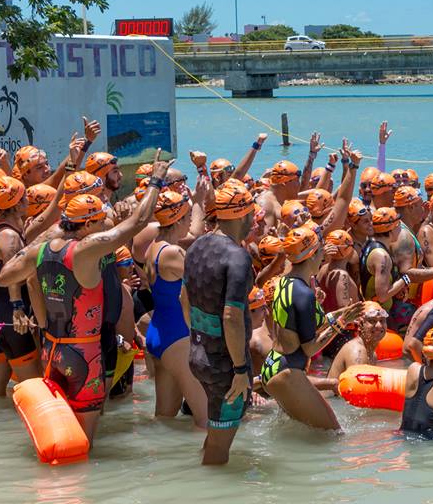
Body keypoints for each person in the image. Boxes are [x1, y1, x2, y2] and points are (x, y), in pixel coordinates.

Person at [0, 151, 170, 444]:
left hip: (52, 353)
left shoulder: (41, 251)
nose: (107, 223)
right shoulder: (88, 248)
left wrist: (31, 307)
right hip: (85, 357)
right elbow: (139, 220)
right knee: (86, 443)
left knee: (60, 434)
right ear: (87, 225)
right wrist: (155, 179)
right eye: (101, 220)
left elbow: (6, 276)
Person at [181, 184, 257, 463]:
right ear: (241, 215)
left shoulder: (196, 246)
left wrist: (201, 339)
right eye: (251, 212)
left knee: (216, 432)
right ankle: (206, 499)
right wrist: (239, 369)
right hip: (225, 363)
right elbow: (231, 316)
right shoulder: (237, 257)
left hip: (198, 353)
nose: (254, 219)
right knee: (218, 453)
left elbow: (184, 300)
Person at [260, 226, 362, 431]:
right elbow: (310, 348)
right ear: (311, 254)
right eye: (321, 251)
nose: (324, 256)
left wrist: (342, 313)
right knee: (334, 434)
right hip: (287, 373)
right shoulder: (303, 294)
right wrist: (342, 323)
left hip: (273, 366)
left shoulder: (284, 282)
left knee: (299, 432)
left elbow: (311, 322)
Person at [144, 191, 208, 428]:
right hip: (177, 337)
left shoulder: (153, 248)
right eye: (189, 215)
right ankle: (203, 464)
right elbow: (195, 290)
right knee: (206, 421)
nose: (191, 221)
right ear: (178, 219)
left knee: (164, 419)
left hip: (158, 333)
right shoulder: (173, 253)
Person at [0, 176, 42, 397]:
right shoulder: (10, 237)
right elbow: (11, 275)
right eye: (25, 196)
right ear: (17, 204)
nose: (29, 200)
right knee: (34, 387)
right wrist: (18, 308)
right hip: (11, 315)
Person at [326, 301, 388, 379]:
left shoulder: (372, 354)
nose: (379, 325)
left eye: (382, 320)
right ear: (360, 325)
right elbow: (359, 389)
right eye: (372, 321)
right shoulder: (358, 352)